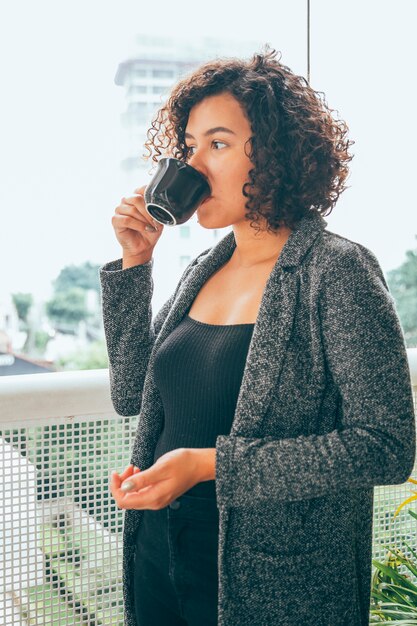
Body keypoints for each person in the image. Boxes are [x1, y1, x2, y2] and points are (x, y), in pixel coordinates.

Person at [99, 47, 416, 626]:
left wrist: (211, 465)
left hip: (271, 582)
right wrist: (134, 267)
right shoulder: (203, 270)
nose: (194, 166)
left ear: (275, 155)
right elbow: (131, 397)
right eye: (190, 147)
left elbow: (386, 446)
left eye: (217, 144)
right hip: (160, 554)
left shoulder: (335, 270)